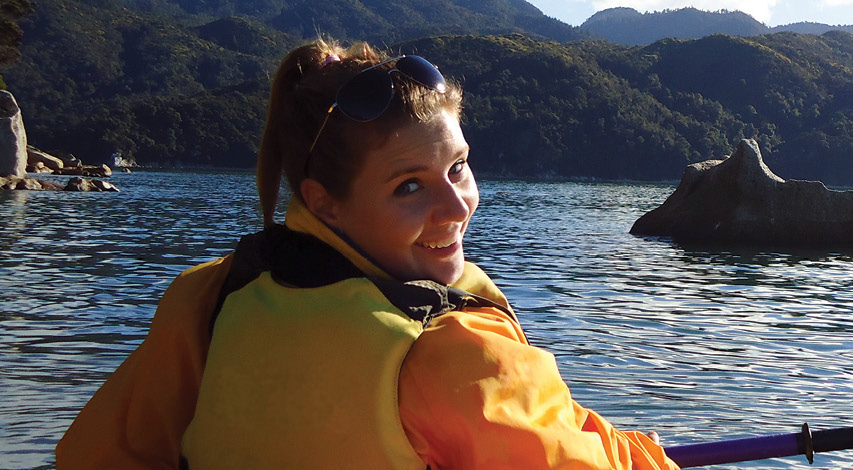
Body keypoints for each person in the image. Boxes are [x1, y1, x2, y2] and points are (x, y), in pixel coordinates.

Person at [55, 38, 679, 469]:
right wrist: (642, 454)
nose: (456, 207)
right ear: (324, 203)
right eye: (409, 186)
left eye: (457, 167)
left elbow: (97, 457)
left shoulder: (210, 298)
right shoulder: (449, 353)